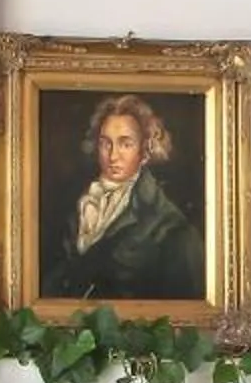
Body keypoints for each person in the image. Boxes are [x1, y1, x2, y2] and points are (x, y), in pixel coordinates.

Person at [41, 94, 205, 303]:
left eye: (125, 144)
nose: (113, 156)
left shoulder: (170, 227)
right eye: (105, 144)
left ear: (145, 151)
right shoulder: (78, 204)